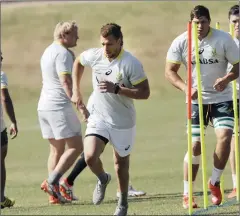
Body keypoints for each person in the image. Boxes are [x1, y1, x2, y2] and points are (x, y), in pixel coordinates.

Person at [70, 23, 150, 216]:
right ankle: (103, 178)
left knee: (120, 164)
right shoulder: (96, 55)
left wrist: (118, 89)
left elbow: (145, 92)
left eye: (110, 44)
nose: (105, 48)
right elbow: (78, 62)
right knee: (89, 156)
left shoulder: (130, 63)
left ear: (120, 41)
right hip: (98, 115)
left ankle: (122, 203)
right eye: (103, 43)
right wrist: (76, 90)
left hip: (123, 120)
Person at [165, 5, 239, 209]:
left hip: (221, 97)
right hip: (196, 100)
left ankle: (214, 182)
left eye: (203, 22)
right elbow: (170, 71)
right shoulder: (181, 41)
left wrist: (226, 78)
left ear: (209, 21)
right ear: (191, 23)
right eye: (196, 23)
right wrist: (185, 88)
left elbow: (237, 66)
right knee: (195, 145)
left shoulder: (224, 39)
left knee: (225, 136)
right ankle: (188, 193)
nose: (200, 26)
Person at [59, 92, 146, 201]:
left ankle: (69, 181)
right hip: (105, 109)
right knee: (98, 149)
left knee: (95, 149)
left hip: (107, 106)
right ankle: (122, 188)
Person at [37, 21, 86, 204]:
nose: (78, 37)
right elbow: (65, 80)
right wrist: (75, 100)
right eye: (75, 34)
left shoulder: (48, 50)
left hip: (44, 106)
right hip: (59, 106)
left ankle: (53, 195)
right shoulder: (63, 53)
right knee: (76, 147)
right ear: (64, 36)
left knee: (56, 150)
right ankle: (52, 182)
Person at [0, 52, 18, 208]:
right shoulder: (1, 75)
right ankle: (0, 198)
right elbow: (4, 97)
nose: (1, 59)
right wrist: (13, 121)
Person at [227, 4, 239, 199]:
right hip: (234, 96)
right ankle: (237, 184)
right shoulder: (227, 43)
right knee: (234, 139)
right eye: (234, 22)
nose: (238, 25)